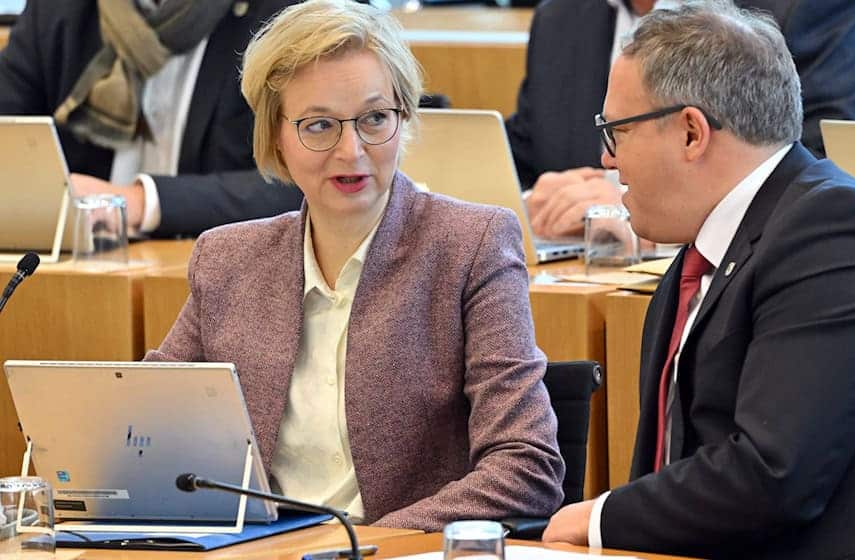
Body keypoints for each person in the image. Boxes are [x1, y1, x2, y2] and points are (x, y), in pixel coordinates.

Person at [541, 2, 855, 557]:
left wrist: (598, 520)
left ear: (691, 133)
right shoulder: (698, 260)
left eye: (615, 132)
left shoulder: (836, 232)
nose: (606, 161)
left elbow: (773, 476)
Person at [145, 0, 564, 531]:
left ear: (403, 117)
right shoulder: (227, 259)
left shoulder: (470, 245)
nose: (352, 151)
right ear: (275, 135)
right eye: (319, 125)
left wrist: (367, 545)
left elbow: (526, 467)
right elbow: (148, 425)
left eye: (373, 119)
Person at [509, 0, 855, 240]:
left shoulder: (802, 6)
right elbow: (527, 153)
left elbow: (840, 166)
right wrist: (534, 199)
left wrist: (631, 206)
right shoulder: (559, 16)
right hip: (576, 278)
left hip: (743, 277)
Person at [0, 0, 303, 238]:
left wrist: (141, 202)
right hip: (83, 273)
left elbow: (303, 183)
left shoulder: (291, 14)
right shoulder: (57, 9)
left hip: (223, 274)